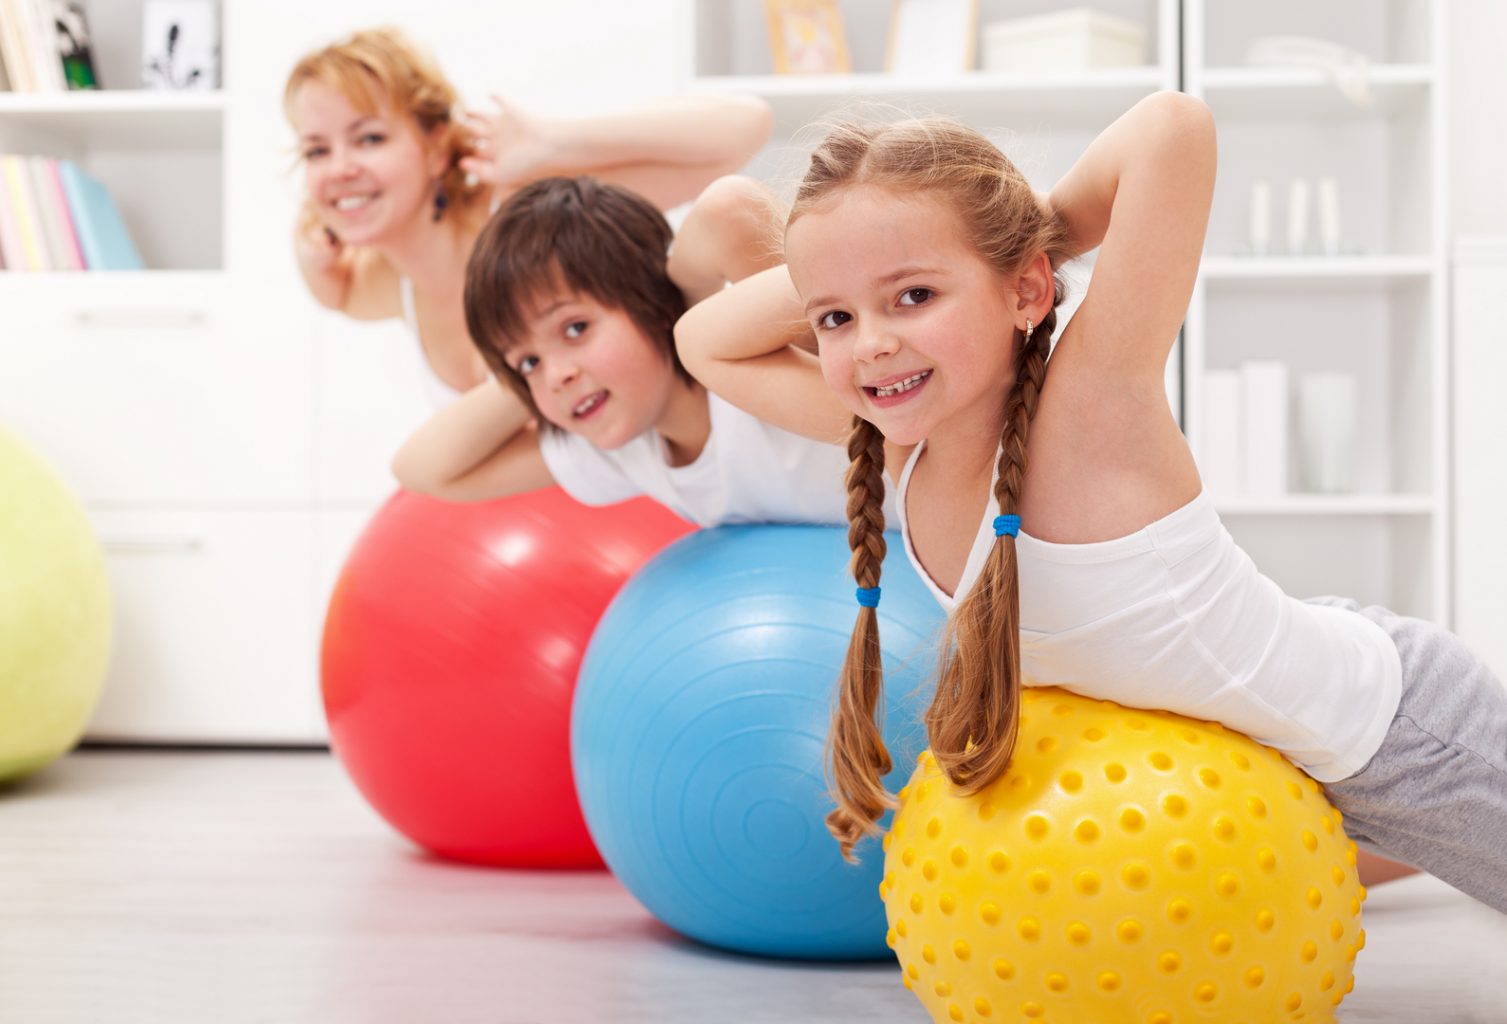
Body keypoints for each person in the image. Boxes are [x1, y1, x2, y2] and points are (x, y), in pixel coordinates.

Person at [674, 93, 1504, 909]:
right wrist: (874, 259)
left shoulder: (1088, 409)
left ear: (1029, 291)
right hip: (1248, 776)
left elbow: (1171, 130)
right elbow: (701, 341)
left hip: (1397, 740)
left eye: (915, 295)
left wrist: (999, 242)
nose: (874, 341)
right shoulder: (905, 445)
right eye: (834, 318)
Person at [283, 26, 773, 407]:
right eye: (316, 150)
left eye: (370, 138)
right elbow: (336, 293)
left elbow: (745, 127)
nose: (341, 169)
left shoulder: (531, 212)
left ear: (435, 147)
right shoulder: (388, 283)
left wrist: (554, 142)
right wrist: (311, 262)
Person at [389, 173, 892, 530]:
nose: (556, 376)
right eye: (528, 363)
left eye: (575, 327)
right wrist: (529, 367)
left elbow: (730, 210)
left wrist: (676, 287)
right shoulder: (624, 449)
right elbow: (423, 469)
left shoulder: (751, 360)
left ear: (650, 302)